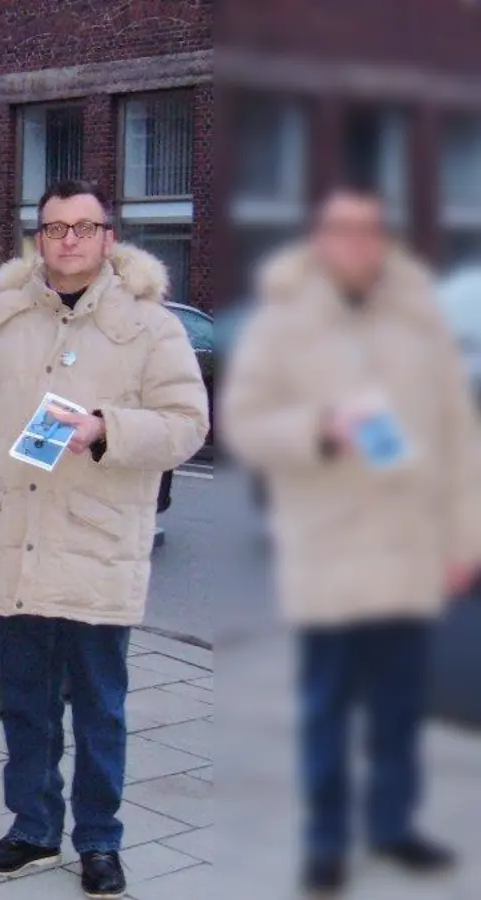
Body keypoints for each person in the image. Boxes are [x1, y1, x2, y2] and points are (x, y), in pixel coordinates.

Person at [0, 179, 208, 899]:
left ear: (109, 238)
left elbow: (188, 424)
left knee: (99, 707)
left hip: (96, 546)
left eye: (84, 228)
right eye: (55, 229)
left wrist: (106, 428)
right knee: (24, 702)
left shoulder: (152, 326)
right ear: (39, 239)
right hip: (16, 542)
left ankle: (98, 840)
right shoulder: (0, 322)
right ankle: (31, 829)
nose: (70, 242)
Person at [219, 184, 481, 897]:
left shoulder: (419, 322)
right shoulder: (284, 326)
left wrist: (465, 542)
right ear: (318, 240)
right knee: (327, 706)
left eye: (369, 231)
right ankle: (328, 841)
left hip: (410, 548)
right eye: (341, 231)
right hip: (328, 550)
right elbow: (243, 423)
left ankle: (394, 827)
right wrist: (318, 430)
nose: (356, 245)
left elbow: (460, 441)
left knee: (400, 702)